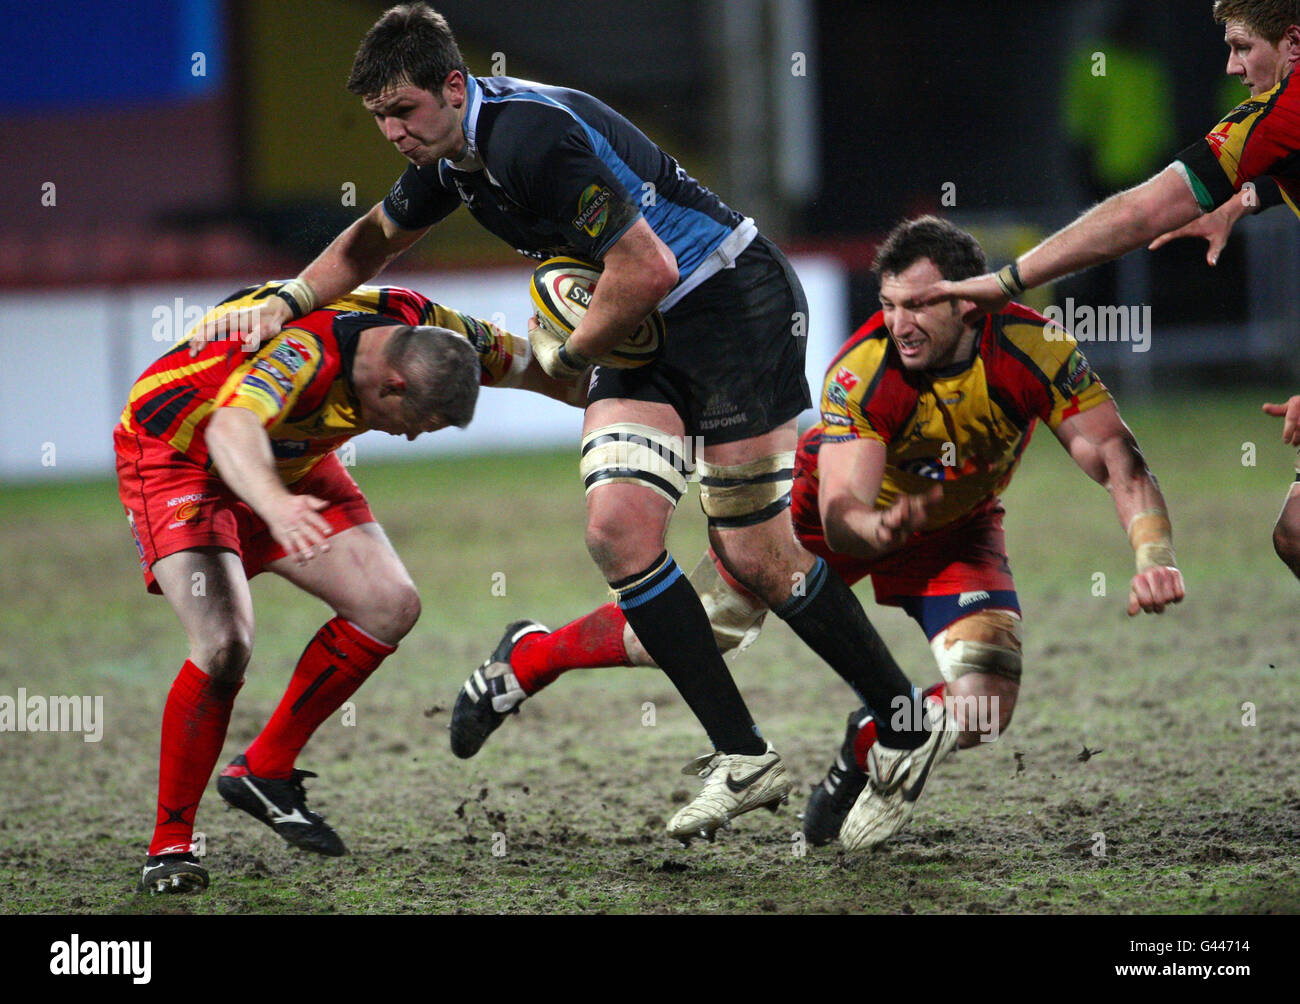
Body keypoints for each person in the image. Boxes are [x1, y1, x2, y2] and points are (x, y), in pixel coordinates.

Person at [189, 3, 941, 844]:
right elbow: (370, 241)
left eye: (403, 111)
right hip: (642, 319)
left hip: (733, 307)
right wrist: (288, 300)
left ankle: (904, 718)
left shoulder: (528, 138)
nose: (394, 133)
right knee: (617, 531)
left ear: (452, 84)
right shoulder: (453, 158)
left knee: (761, 558)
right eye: (380, 119)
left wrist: (570, 355)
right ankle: (743, 757)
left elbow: (649, 262)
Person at [454, 217, 1186, 850]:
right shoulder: (865, 370)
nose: (900, 322)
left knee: (986, 706)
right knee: (688, 634)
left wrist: (1152, 555)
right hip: (821, 523)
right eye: (890, 303)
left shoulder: (1038, 352)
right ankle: (531, 659)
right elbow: (844, 507)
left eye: (922, 304)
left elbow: (1117, 458)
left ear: (971, 303)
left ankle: (866, 745)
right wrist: (879, 524)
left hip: (956, 533)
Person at [120, 279, 574, 894]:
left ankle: (264, 769)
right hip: (180, 454)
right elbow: (230, 428)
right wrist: (276, 507)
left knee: (388, 604)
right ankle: (169, 847)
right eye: (416, 423)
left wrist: (648, 399)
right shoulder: (301, 356)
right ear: (394, 385)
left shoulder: (426, 326)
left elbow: (540, 370)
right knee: (224, 645)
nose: (411, 436)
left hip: (286, 455)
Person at [918, 0, 1300, 578]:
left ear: (1292, 42)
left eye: (1243, 47)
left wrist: (1008, 280)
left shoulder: (1278, 115)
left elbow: (1139, 214)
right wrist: (1246, 199)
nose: (1229, 66)